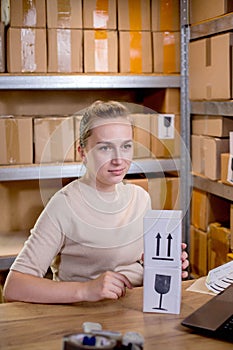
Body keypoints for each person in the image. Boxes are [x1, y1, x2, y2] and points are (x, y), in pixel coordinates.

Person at [3, 100, 189, 304]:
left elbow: (140, 267)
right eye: (105, 148)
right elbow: (14, 286)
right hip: (86, 319)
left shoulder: (140, 198)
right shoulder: (64, 205)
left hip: (134, 311)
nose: (119, 159)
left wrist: (165, 266)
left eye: (126, 146)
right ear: (82, 152)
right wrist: (85, 290)